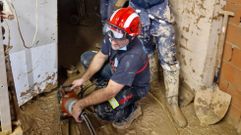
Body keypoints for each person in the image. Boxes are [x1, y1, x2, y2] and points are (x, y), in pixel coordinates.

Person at [99, 0, 187, 127]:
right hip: (136, 13)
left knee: (169, 59)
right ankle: (150, 83)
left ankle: (173, 103)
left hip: (159, 12)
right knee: (144, 53)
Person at [71, 7, 150, 129]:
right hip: (117, 72)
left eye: (118, 35)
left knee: (103, 109)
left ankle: (131, 111)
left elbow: (110, 92)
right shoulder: (113, 36)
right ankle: (109, 84)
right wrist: (83, 79)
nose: (113, 41)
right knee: (87, 58)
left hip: (133, 87)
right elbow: (100, 57)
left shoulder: (133, 56)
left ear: (131, 36)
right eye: (111, 30)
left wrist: (80, 104)